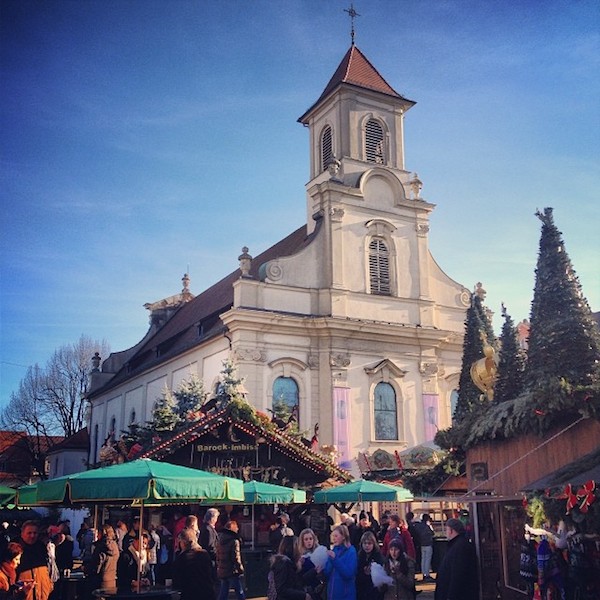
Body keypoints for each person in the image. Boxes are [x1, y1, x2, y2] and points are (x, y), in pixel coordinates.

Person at [434, 518, 478, 600]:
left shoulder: (460, 547)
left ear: (451, 530)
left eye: (447, 530)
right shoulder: (456, 545)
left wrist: (451, 596)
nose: (446, 533)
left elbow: (457, 574)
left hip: (459, 595)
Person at [172, 528, 216, 600]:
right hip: (208, 593)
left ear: (183, 543)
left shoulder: (182, 558)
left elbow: (177, 581)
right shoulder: (204, 554)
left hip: (190, 594)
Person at [14, 522, 53, 600]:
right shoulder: (14, 550)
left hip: (42, 595)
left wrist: (49, 586)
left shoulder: (41, 548)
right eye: (29, 533)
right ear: (22, 534)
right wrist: (20, 587)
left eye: (35, 533)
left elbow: (47, 570)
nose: (32, 536)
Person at [323, 524, 357, 600]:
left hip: (345, 595)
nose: (334, 539)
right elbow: (327, 572)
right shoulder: (334, 550)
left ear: (343, 537)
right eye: (333, 536)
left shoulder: (351, 551)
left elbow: (349, 574)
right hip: (332, 594)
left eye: (336, 536)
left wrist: (335, 560)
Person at [216, 520, 245, 600]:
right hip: (232, 570)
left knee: (224, 591)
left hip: (223, 569)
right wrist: (240, 569)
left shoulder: (220, 540)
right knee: (239, 591)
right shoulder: (234, 541)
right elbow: (236, 557)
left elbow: (218, 555)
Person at [89, 524, 119, 591]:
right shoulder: (115, 546)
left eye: (98, 532)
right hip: (112, 579)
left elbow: (97, 565)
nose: (97, 535)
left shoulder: (101, 547)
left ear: (103, 533)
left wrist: (87, 569)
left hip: (100, 580)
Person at [297, 528, 325, 599]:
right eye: (306, 539)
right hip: (306, 590)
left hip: (319, 589)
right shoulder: (300, 556)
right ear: (302, 541)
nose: (309, 541)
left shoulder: (320, 552)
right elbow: (299, 578)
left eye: (310, 538)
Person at [356, 531, 383, 600]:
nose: (367, 546)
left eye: (369, 543)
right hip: (361, 590)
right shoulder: (359, 556)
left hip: (374, 592)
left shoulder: (378, 557)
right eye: (365, 543)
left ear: (374, 544)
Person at [412, 514, 434, 582]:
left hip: (421, 544)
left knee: (423, 559)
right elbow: (432, 533)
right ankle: (426, 574)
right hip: (428, 543)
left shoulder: (418, 526)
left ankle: (424, 573)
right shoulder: (426, 526)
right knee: (427, 559)